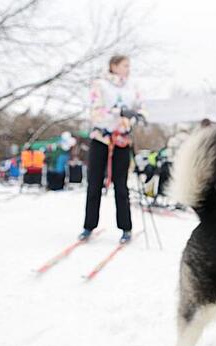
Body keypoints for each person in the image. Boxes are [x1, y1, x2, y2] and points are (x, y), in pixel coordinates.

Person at [79, 55, 144, 244]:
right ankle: (88, 226)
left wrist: (136, 117)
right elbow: (95, 112)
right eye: (125, 65)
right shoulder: (100, 85)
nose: (128, 69)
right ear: (114, 66)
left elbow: (141, 107)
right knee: (94, 184)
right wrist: (118, 113)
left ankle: (126, 227)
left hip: (122, 141)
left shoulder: (132, 87)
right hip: (102, 139)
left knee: (122, 186)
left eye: (129, 65)